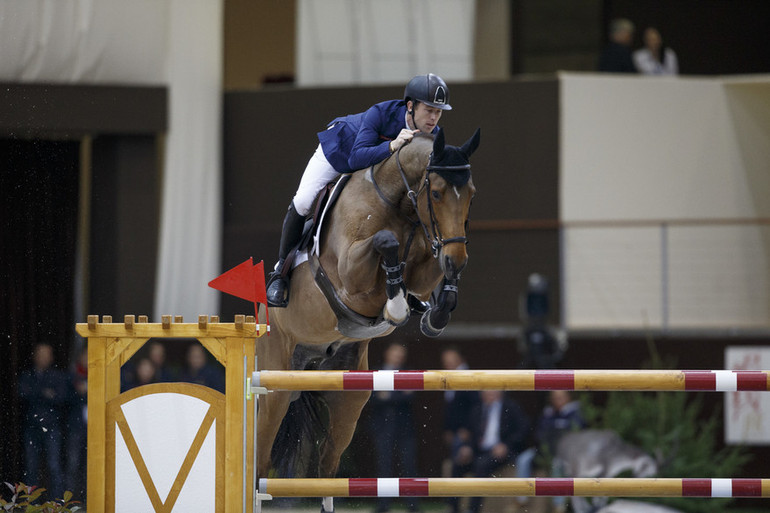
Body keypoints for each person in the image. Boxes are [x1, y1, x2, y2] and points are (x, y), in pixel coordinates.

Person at [266, 73, 453, 307]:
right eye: (429, 110)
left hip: (372, 170)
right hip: (339, 152)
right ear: (410, 106)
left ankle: (403, 286)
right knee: (303, 201)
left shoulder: (431, 136)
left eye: (438, 112)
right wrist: (392, 145)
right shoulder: (381, 113)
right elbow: (356, 158)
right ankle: (280, 274)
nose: (434, 118)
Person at [451, 390, 530, 513]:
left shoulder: (510, 407)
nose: (490, 394)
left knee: (481, 465)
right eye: (486, 391)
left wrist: (506, 446)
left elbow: (523, 429)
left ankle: (473, 509)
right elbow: (470, 434)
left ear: (500, 392)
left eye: (493, 390)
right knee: (458, 464)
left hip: (501, 452)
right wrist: (467, 448)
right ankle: (453, 508)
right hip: (478, 451)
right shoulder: (476, 409)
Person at [368, 343, 420, 513]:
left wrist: (387, 395)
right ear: (387, 353)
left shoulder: (409, 372)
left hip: (405, 428)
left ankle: (413, 506)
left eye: (401, 354)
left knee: (409, 466)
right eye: (395, 353)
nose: (398, 357)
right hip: (382, 428)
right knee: (383, 466)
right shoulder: (376, 371)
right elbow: (371, 398)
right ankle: (383, 506)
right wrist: (397, 393)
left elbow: (410, 398)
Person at [18, 342, 69, 498]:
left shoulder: (58, 375)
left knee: (54, 466)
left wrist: (38, 392)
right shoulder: (27, 375)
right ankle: (30, 503)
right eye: (40, 354)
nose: (43, 358)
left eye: (46, 355)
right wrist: (45, 392)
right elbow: (22, 394)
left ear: (51, 357)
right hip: (32, 427)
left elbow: (62, 397)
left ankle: (57, 503)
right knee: (31, 467)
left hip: (52, 426)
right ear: (34, 356)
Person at [65, 346, 88, 499]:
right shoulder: (72, 375)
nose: (88, 359)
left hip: (94, 427)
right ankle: (70, 500)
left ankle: (89, 498)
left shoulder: (101, 374)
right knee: (73, 464)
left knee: (91, 464)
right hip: (75, 426)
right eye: (86, 356)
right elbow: (63, 399)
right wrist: (77, 392)